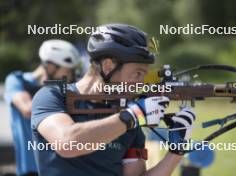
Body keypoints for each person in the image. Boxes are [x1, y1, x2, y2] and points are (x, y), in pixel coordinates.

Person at [31, 24, 196, 176]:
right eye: (137, 73)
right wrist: (133, 116)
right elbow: (68, 143)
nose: (140, 84)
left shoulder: (128, 115)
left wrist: (176, 151)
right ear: (108, 66)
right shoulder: (52, 96)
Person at [4, 39, 81, 176]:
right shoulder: (17, 80)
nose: (72, 76)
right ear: (51, 67)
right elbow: (27, 110)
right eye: (69, 71)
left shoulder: (64, 89)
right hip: (30, 170)